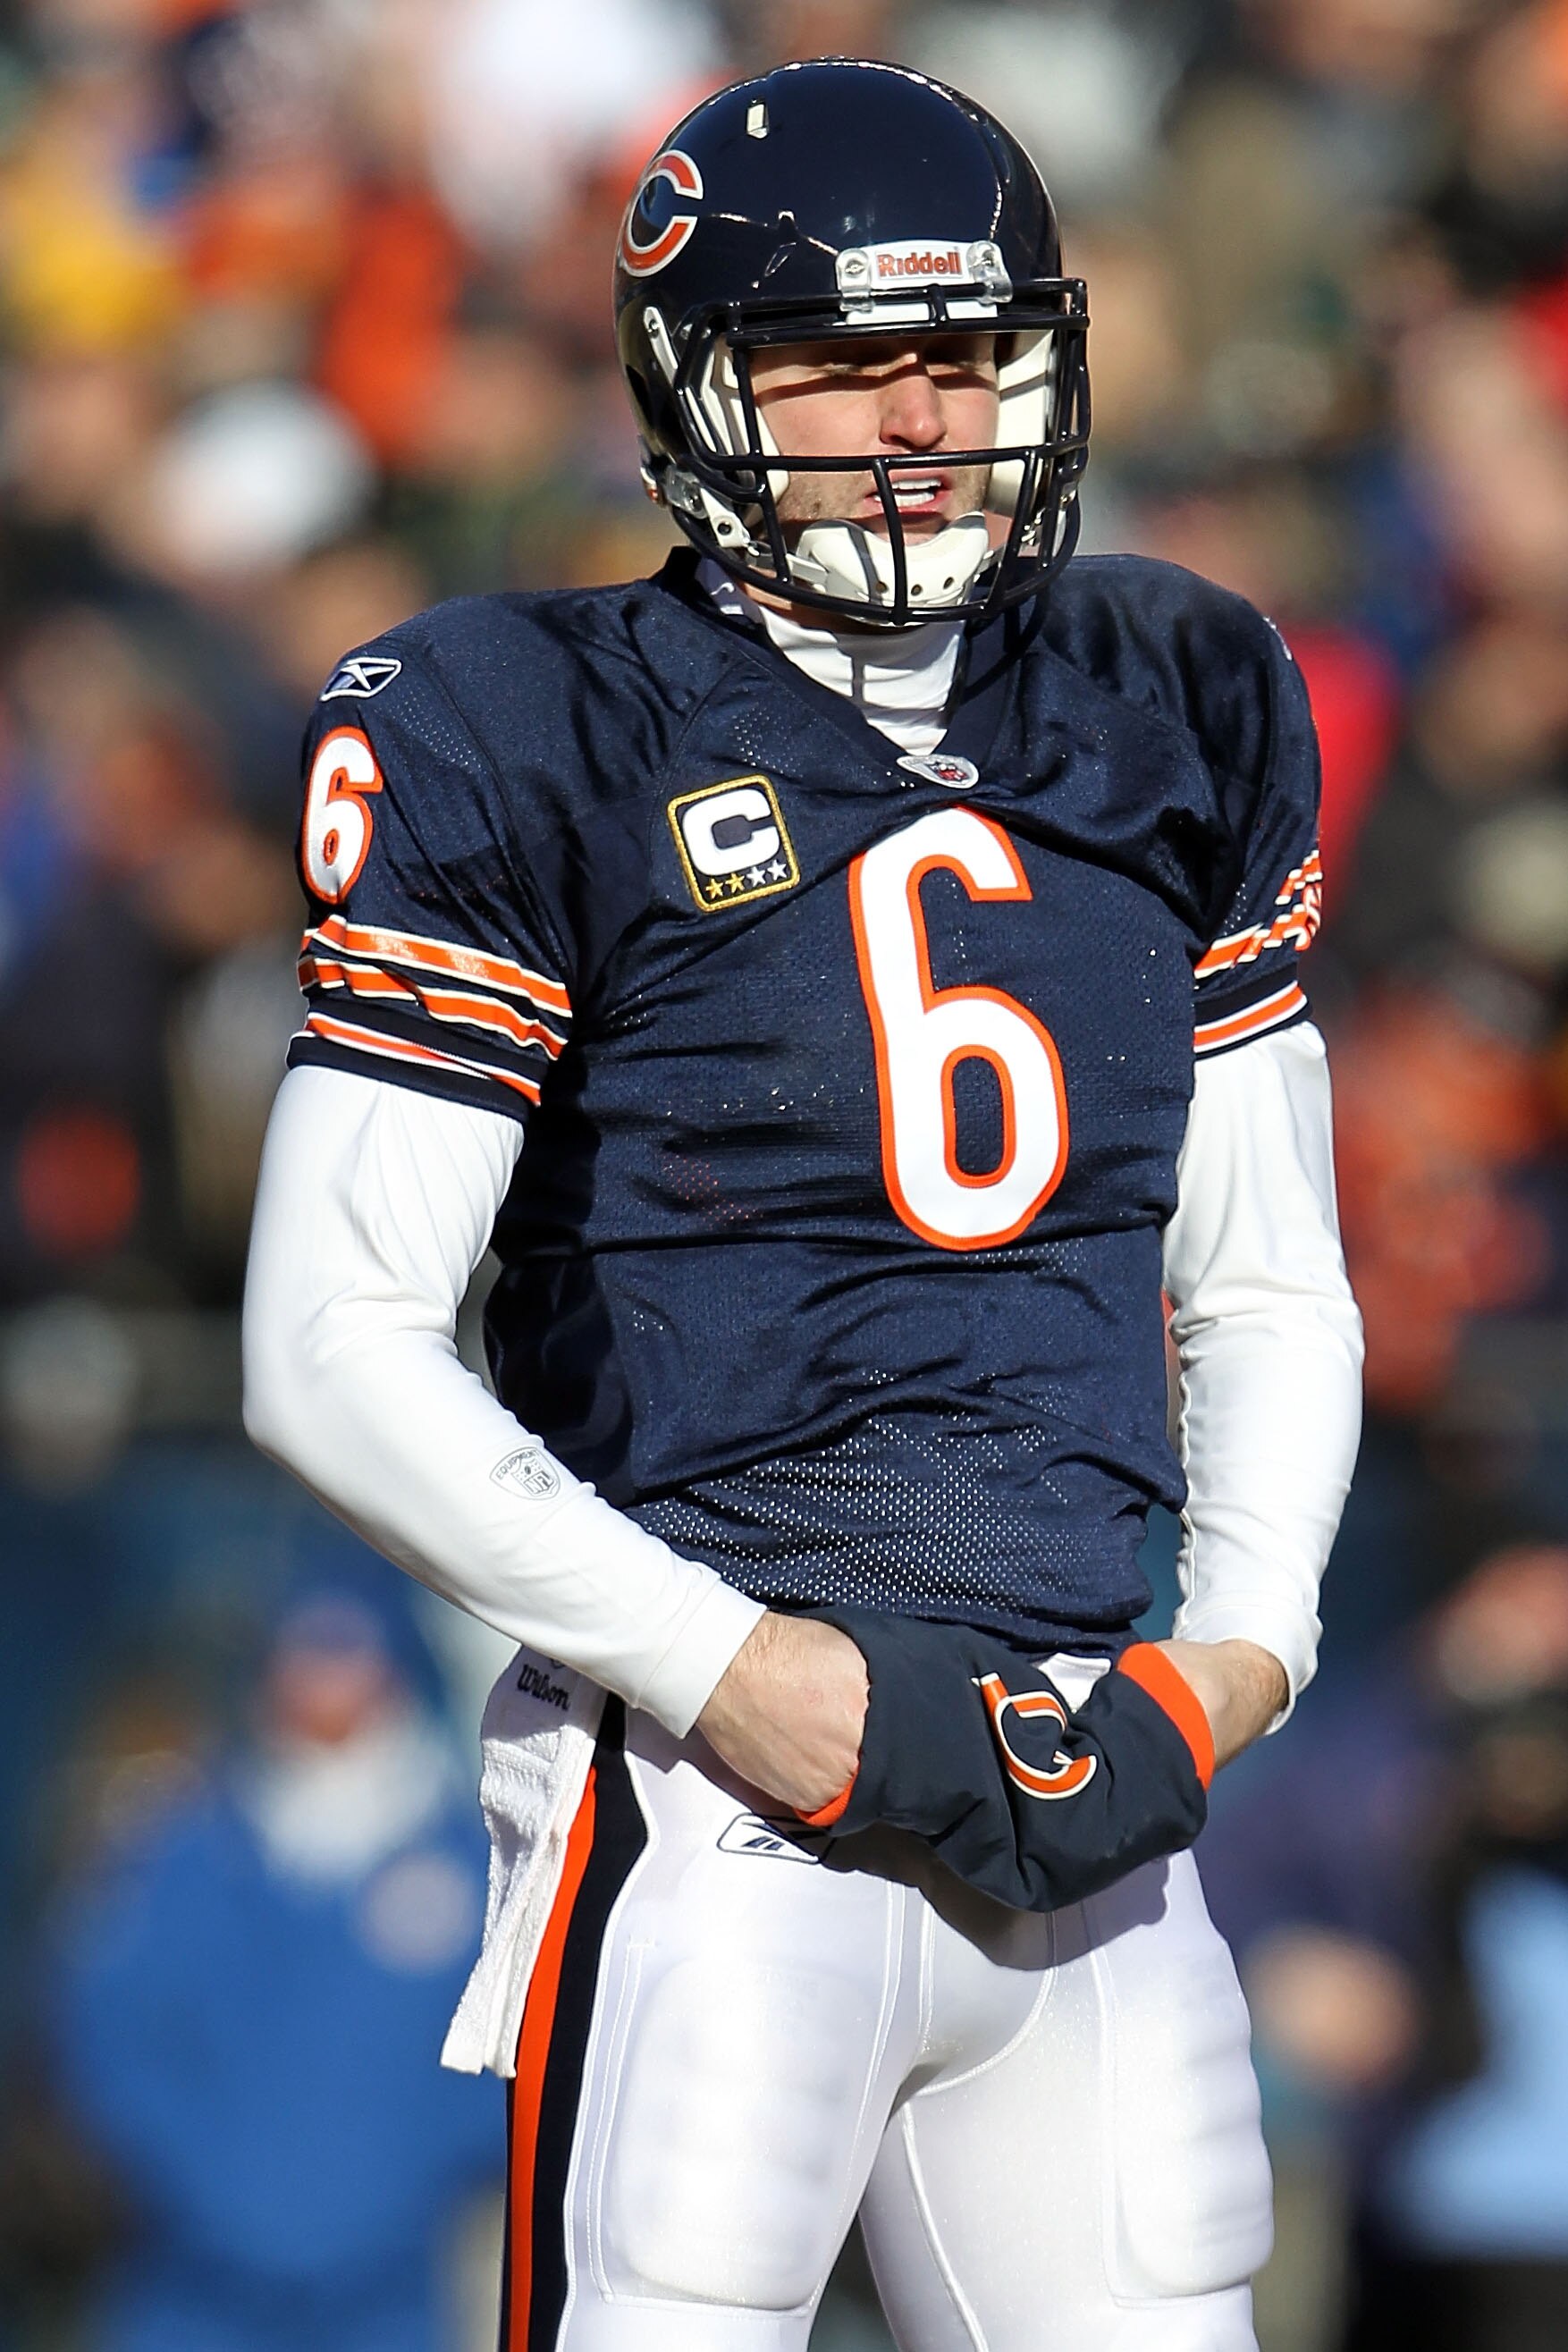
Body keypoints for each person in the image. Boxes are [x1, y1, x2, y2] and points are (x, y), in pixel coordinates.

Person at [242, 57, 1363, 2352]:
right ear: (693, 385)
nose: (915, 419)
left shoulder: (1176, 689)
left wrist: (1242, 1649)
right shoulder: (520, 717)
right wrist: (732, 1674)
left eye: (960, 351)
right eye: (840, 362)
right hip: (716, 1780)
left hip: (1089, 1762)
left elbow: (1264, 1270)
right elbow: (324, 1343)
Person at [48, 1578, 502, 2352]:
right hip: (188, 2292)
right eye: (304, 1662)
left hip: (390, 2301)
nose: (322, 1693)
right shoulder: (180, 1851)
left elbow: (508, 2058)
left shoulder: (470, 1866)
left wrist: (387, 2187)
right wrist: (211, 2184)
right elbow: (105, 2033)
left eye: (345, 1661)